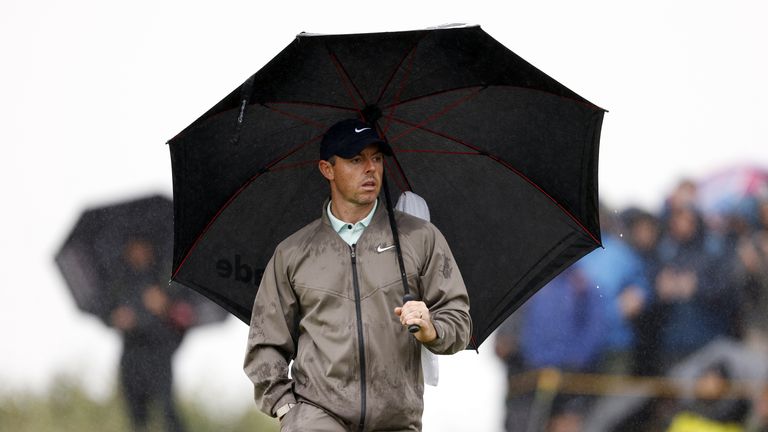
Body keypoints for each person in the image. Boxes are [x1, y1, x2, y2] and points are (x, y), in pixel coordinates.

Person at [243, 118, 472, 432]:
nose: (371, 169)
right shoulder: (292, 252)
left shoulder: (420, 237)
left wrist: (432, 329)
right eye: (355, 160)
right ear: (327, 169)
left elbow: (458, 319)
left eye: (376, 158)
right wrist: (286, 409)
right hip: (316, 417)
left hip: (397, 421)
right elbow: (265, 343)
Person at [110, 238, 190, 432]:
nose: (137, 252)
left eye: (141, 246)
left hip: (159, 353)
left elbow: (185, 314)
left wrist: (165, 305)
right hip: (131, 355)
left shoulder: (166, 277)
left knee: (167, 409)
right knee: (137, 415)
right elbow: (108, 310)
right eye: (132, 247)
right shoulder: (120, 281)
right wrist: (117, 317)